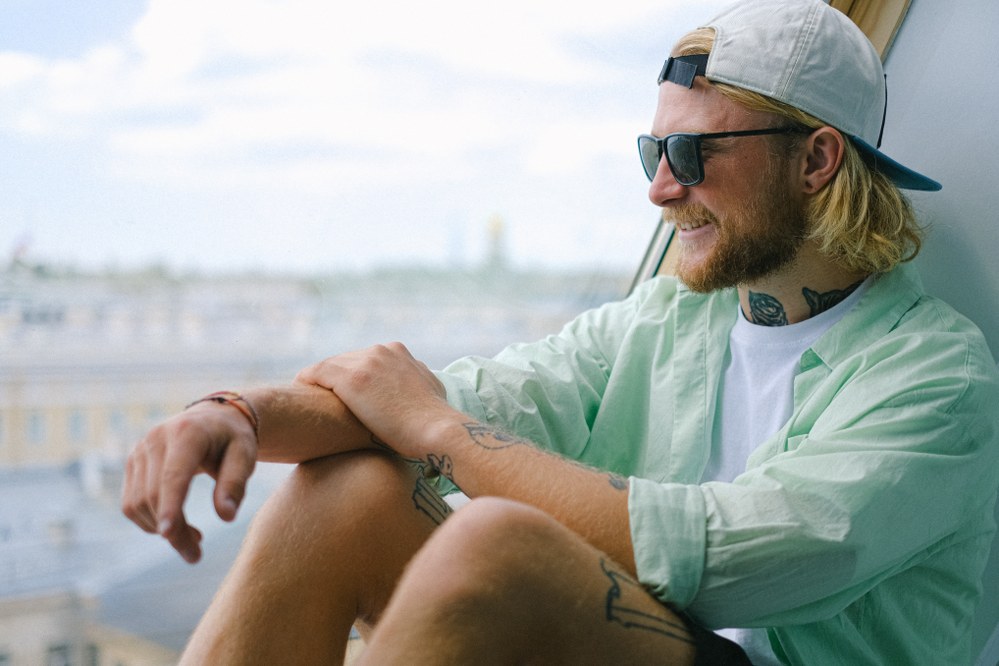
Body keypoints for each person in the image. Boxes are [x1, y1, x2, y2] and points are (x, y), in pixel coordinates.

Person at [121, 0, 999, 664]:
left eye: (690, 156)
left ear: (815, 159)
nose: (658, 189)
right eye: (652, 156)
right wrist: (231, 413)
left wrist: (435, 429)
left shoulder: (937, 377)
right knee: (346, 493)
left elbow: (731, 561)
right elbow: (453, 400)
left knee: (497, 545)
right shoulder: (671, 317)